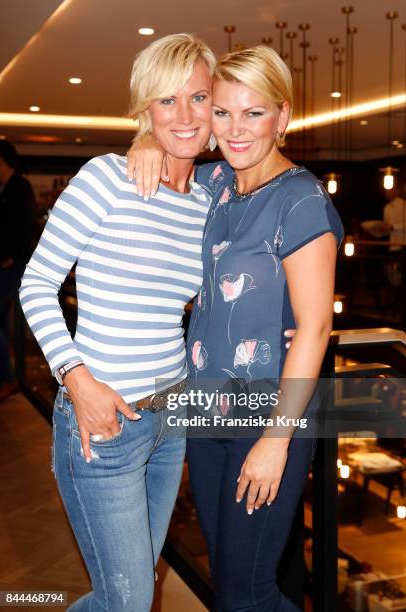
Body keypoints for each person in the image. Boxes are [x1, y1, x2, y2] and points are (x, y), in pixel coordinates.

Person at [128, 44, 344, 611]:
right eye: (222, 112)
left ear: (284, 116)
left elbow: (317, 329)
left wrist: (276, 441)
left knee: (246, 593)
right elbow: (172, 142)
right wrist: (145, 141)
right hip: (207, 409)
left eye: (254, 112)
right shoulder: (218, 183)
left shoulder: (301, 199)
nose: (235, 128)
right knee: (229, 581)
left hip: (269, 415)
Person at [19, 34, 216, 611]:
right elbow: (36, 284)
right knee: (128, 601)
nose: (183, 116)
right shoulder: (107, 178)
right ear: (144, 111)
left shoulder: (205, 203)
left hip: (169, 421)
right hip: (102, 423)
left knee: (126, 591)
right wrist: (77, 382)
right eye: (166, 101)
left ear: (215, 106)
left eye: (198, 98)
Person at [0, 140, 35, 402]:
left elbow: (25, 228)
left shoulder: (19, 187)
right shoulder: (3, 188)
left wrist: (10, 257)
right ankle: (5, 375)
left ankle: (10, 378)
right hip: (5, 265)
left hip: (14, 266)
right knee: (2, 321)